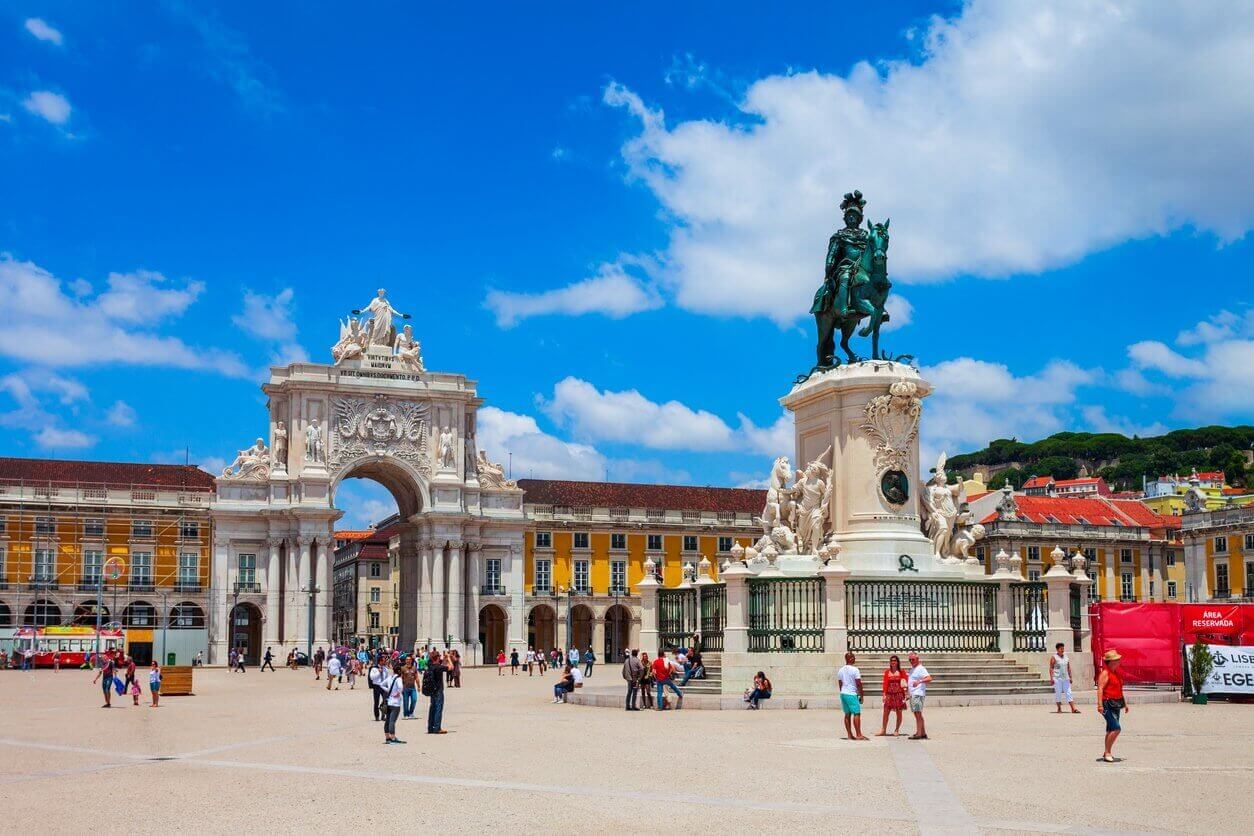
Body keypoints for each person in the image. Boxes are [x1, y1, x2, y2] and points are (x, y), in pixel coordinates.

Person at [1096, 648, 1129, 763]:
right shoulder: (1105, 673)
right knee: (1116, 728)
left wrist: (1125, 704)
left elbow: (1119, 690)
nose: (1118, 661)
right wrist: (1100, 705)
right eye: (1116, 660)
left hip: (1116, 703)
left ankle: (1107, 752)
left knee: (1110, 729)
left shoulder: (1116, 673)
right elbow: (1100, 689)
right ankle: (1107, 753)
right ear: (1110, 662)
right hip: (1107, 704)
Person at [837, 652, 869, 740]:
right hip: (851, 694)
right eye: (853, 657)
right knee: (856, 713)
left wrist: (843, 692)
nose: (854, 659)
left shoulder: (840, 670)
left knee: (847, 714)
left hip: (843, 693)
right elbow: (858, 683)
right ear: (850, 658)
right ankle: (858, 734)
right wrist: (861, 695)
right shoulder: (855, 670)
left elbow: (840, 683)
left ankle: (849, 735)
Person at [876, 655, 909, 736]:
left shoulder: (902, 671)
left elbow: (905, 683)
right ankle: (883, 730)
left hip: (899, 694)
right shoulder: (887, 672)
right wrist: (884, 694)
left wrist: (906, 693)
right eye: (891, 661)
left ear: (897, 662)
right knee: (885, 712)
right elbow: (885, 684)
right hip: (889, 694)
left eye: (894, 660)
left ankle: (896, 730)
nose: (893, 662)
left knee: (899, 712)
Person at [907, 652, 932, 740]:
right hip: (913, 694)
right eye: (910, 660)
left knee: (918, 714)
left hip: (918, 693)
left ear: (917, 659)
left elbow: (929, 678)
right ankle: (923, 733)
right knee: (917, 714)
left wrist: (920, 681)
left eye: (913, 659)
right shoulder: (912, 669)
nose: (911, 661)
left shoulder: (921, 668)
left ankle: (919, 733)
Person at [1050, 642, 1080, 714]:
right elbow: (1051, 668)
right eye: (1061, 649)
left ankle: (1073, 708)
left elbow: (1068, 668)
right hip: (1057, 678)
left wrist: (1070, 677)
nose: (1062, 650)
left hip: (1066, 678)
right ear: (1057, 649)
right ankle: (1059, 708)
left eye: (1063, 648)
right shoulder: (1054, 657)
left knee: (1069, 692)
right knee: (1058, 693)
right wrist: (1051, 678)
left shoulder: (1066, 657)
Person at [424, 651, 448, 734]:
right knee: (438, 708)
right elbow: (450, 667)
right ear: (437, 657)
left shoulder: (430, 666)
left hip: (432, 690)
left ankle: (430, 728)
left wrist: (444, 660)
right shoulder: (438, 667)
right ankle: (437, 728)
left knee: (432, 708)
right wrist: (448, 658)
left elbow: (442, 665)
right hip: (438, 690)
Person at [383, 661, 406, 745]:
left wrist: (388, 690)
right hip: (395, 703)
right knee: (392, 721)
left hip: (389, 701)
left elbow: (381, 684)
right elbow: (400, 687)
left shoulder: (390, 678)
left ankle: (387, 737)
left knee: (388, 720)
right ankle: (393, 738)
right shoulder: (398, 679)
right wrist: (399, 692)